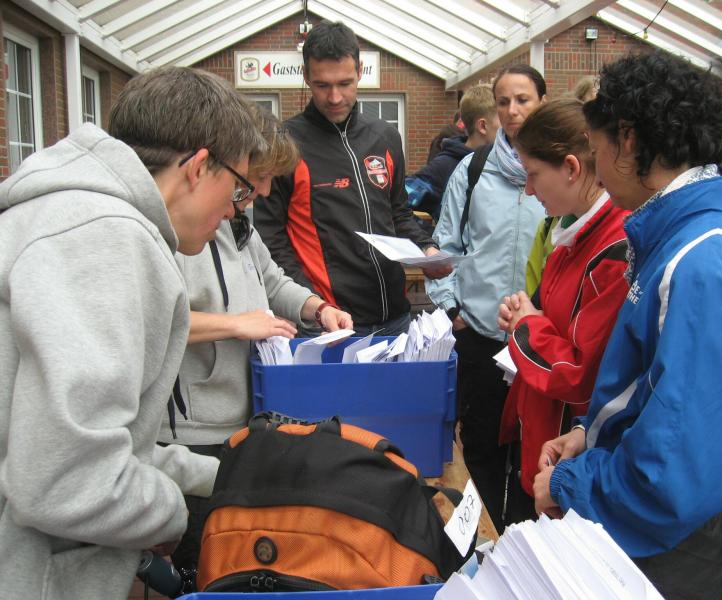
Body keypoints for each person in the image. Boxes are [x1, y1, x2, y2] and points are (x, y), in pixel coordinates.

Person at [0, 66, 264, 599]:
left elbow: (98, 441)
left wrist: (228, 477)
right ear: (198, 168)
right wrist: (171, 515)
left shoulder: (73, 215)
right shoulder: (104, 239)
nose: (233, 210)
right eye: (238, 188)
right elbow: (64, 478)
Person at [534, 52, 722, 599]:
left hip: (677, 553)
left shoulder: (698, 263)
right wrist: (590, 434)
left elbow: (673, 472)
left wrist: (571, 483)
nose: (595, 168)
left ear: (627, 141)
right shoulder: (686, 239)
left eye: (595, 148)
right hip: (679, 536)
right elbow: (658, 387)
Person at [161, 108, 353, 571]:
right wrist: (236, 324)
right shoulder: (178, 230)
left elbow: (272, 279)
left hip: (244, 417)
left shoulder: (239, 224)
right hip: (190, 432)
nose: (263, 192)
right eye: (257, 179)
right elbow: (158, 321)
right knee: (201, 552)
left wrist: (317, 308)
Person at [254, 20, 448, 337]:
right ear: (306, 76)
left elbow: (398, 214)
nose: (334, 97)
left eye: (344, 83)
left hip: (395, 318)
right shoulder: (285, 144)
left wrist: (428, 250)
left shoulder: (384, 136)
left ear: (360, 71)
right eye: (322, 85)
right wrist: (311, 303)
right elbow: (270, 239)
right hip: (329, 325)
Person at [426, 65, 548, 531]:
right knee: (479, 451)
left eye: (523, 99)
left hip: (538, 345)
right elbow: (445, 245)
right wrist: (453, 310)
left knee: (533, 457)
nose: (512, 110)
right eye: (503, 102)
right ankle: (482, 542)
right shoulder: (473, 170)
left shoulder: (560, 171)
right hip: (479, 338)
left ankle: (525, 543)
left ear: (542, 102)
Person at [496, 98, 629, 502]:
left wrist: (525, 325)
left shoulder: (615, 248)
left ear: (571, 168)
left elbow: (579, 373)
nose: (528, 189)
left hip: (568, 452)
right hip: (550, 439)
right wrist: (526, 316)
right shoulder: (572, 234)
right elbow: (557, 321)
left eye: (533, 174)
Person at [406, 84, 500, 222]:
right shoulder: (445, 166)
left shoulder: (511, 163)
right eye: (503, 119)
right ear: (483, 126)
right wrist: (427, 234)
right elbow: (397, 206)